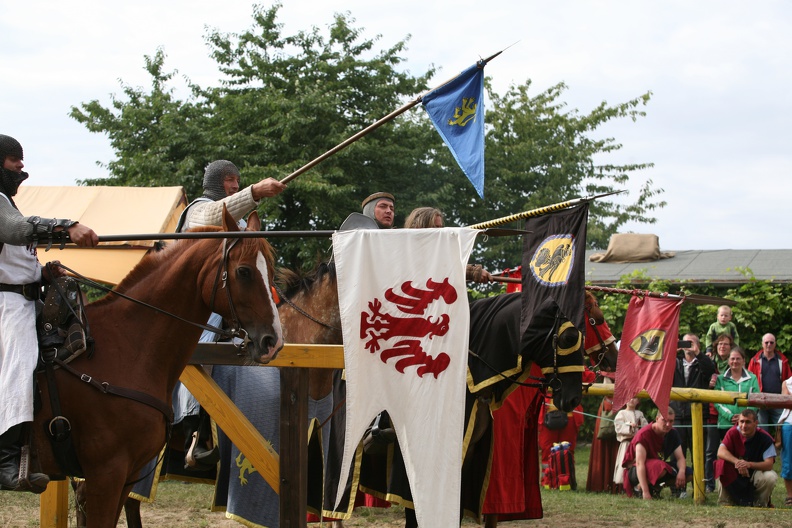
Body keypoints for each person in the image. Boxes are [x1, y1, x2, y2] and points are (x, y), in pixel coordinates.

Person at [0, 134, 98, 493]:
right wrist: (66, 227)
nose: (20, 167)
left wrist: (43, 274)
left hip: (25, 299)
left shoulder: (7, 203)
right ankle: (6, 462)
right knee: (21, 363)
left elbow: (11, 260)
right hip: (6, 307)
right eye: (13, 159)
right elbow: (14, 232)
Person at [174, 159, 286, 469]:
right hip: (195, 303)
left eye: (238, 181)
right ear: (215, 183)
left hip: (233, 302)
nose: (235, 185)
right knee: (203, 342)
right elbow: (213, 214)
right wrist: (255, 192)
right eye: (229, 181)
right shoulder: (198, 210)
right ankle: (194, 432)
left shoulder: (236, 224)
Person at [669, 333, 715, 493]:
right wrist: (672, 349)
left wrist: (698, 353)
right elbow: (659, 366)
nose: (689, 345)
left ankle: (698, 488)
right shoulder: (674, 362)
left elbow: (710, 369)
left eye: (692, 343)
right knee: (676, 454)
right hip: (677, 415)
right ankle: (677, 490)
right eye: (686, 342)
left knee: (699, 455)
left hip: (698, 416)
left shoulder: (702, 363)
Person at [403, 206, 492, 283]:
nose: (440, 232)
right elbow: (440, 269)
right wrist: (473, 271)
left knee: (505, 299)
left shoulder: (439, 250)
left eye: (441, 228)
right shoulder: (409, 251)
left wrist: (474, 271)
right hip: (427, 301)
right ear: (420, 228)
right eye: (435, 228)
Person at [620, 408, 692, 499]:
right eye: (664, 420)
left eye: (671, 421)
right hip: (636, 471)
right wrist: (646, 493)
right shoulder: (644, 434)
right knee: (661, 467)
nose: (668, 424)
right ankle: (639, 488)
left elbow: (680, 458)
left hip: (657, 467)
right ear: (657, 418)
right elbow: (639, 463)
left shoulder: (673, 433)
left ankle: (656, 488)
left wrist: (681, 472)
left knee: (689, 474)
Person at [715, 408, 777, 507]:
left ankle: (760, 504)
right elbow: (720, 452)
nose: (744, 426)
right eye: (741, 422)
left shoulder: (765, 438)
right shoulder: (732, 432)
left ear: (756, 423)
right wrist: (738, 462)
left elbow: (769, 464)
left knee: (770, 476)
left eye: (748, 422)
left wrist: (749, 464)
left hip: (756, 472)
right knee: (721, 465)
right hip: (736, 470)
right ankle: (725, 502)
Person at [704, 333, 736, 492]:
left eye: (726, 344)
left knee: (731, 449)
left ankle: (730, 482)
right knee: (710, 451)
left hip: (730, 414)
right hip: (712, 413)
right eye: (720, 344)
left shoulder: (735, 365)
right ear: (715, 346)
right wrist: (708, 385)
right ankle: (709, 484)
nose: (722, 346)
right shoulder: (709, 362)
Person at [747, 333, 790, 433]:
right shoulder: (754, 360)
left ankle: (782, 449)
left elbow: (788, 381)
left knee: (782, 429)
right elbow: (749, 380)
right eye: (766, 342)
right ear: (762, 344)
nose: (769, 345)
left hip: (779, 400)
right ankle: (765, 449)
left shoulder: (782, 360)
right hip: (761, 401)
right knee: (762, 430)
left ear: (775, 344)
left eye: (771, 342)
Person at [713, 347, 759, 439]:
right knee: (727, 452)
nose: (735, 361)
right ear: (728, 361)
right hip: (726, 424)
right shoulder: (720, 379)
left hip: (748, 425)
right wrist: (729, 416)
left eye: (738, 358)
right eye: (732, 358)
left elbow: (756, 400)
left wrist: (744, 417)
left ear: (743, 361)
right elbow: (717, 401)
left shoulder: (752, 378)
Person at [613, 397, 648, 487]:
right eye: (629, 397)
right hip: (626, 444)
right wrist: (629, 426)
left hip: (637, 445)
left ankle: (636, 482)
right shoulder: (622, 413)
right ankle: (623, 484)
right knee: (625, 463)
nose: (631, 400)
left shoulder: (640, 413)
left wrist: (640, 427)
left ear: (638, 401)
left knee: (637, 462)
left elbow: (645, 427)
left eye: (635, 398)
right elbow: (618, 427)